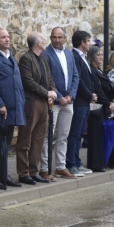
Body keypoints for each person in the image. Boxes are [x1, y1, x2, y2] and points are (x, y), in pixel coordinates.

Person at [0, 28, 25, 190]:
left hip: (14, 107)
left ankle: (3, 174)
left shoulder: (11, 56)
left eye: (8, 36)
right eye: (3, 37)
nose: (7, 39)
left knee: (6, 143)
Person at [41, 27, 82, 178]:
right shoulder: (45, 54)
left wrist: (71, 95)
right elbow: (47, 78)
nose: (57, 40)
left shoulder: (69, 53)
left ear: (65, 38)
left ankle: (60, 166)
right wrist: (59, 97)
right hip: (54, 102)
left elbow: (75, 76)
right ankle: (44, 168)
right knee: (48, 136)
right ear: (50, 38)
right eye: (54, 37)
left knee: (63, 135)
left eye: (60, 37)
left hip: (68, 102)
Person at [17, 32, 57, 185]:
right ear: (37, 43)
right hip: (32, 103)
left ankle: (34, 171)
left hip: (44, 103)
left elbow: (50, 78)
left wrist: (52, 92)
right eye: (43, 40)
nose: (45, 41)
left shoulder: (43, 59)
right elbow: (28, 82)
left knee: (38, 139)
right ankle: (23, 172)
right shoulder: (26, 59)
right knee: (25, 139)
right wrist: (47, 92)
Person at [67, 30, 97, 180]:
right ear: (82, 43)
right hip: (79, 101)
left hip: (84, 102)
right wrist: (89, 94)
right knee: (74, 133)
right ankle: (71, 163)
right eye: (89, 41)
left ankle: (77, 161)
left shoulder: (83, 57)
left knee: (79, 133)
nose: (90, 44)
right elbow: (78, 80)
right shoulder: (75, 57)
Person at [87, 46, 114, 172]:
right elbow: (98, 89)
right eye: (98, 55)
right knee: (96, 135)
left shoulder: (99, 70)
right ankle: (95, 163)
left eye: (102, 55)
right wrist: (107, 102)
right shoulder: (92, 70)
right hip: (97, 105)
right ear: (93, 56)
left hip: (103, 106)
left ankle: (100, 162)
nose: (101, 57)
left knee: (100, 135)